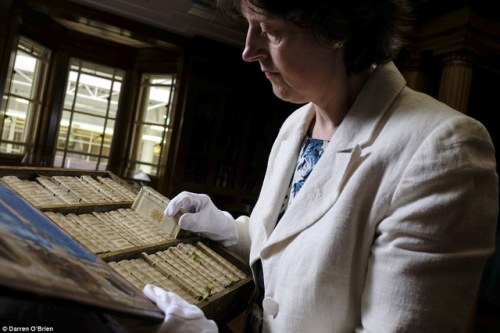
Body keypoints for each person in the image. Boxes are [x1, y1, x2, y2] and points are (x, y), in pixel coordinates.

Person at [143, 0, 499, 332]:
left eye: (269, 30)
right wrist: (226, 229)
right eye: (249, 26)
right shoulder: (296, 125)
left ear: (338, 27)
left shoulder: (442, 147)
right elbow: (291, 251)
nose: (248, 50)